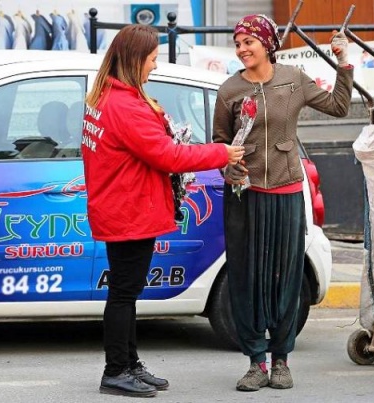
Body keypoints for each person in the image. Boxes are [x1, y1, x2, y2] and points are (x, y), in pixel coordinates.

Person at [81, 24, 244, 398]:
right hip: (128, 211)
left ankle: (129, 363)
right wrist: (222, 153)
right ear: (136, 59)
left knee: (128, 291)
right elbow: (168, 156)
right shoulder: (123, 106)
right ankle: (115, 370)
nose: (155, 65)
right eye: (152, 58)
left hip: (122, 205)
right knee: (124, 293)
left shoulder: (110, 96)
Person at [213, 14, 353, 392]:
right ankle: (256, 362)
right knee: (247, 278)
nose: (242, 49)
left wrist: (343, 63)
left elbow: (339, 106)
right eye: (238, 43)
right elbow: (218, 145)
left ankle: (281, 361)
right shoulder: (228, 91)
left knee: (286, 278)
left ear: (267, 44)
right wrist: (231, 169)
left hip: (288, 194)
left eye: (249, 42)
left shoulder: (294, 80)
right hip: (245, 197)